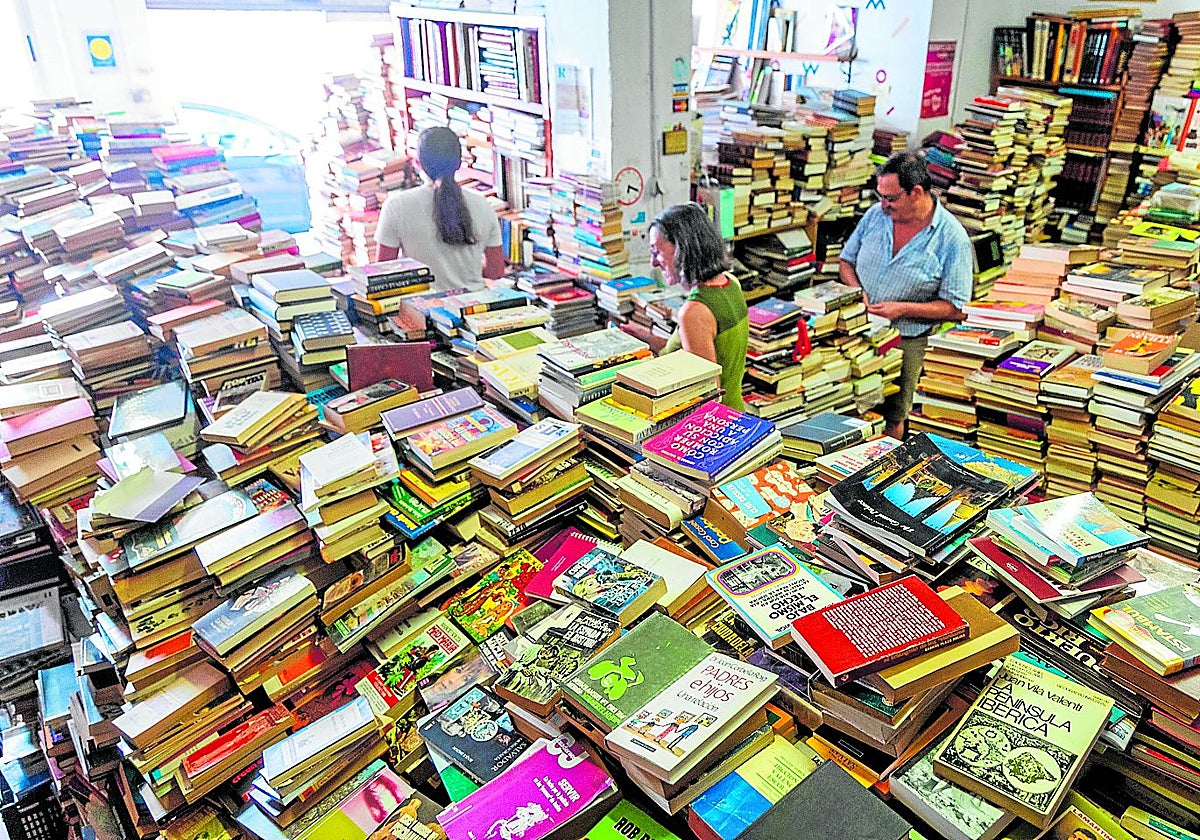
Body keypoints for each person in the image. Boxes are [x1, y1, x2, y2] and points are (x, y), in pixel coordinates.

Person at [840, 151, 973, 439]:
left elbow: (957, 307)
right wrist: (856, 292)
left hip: (906, 338)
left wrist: (901, 309)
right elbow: (846, 261)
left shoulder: (952, 238)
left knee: (893, 412)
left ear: (916, 192)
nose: (883, 205)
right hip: (858, 328)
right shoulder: (876, 216)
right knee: (846, 407)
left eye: (891, 198)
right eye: (880, 196)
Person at [375, 126, 506, 292]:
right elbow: (495, 271)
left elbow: (383, 273)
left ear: (417, 163)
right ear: (459, 163)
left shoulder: (396, 206)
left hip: (422, 304)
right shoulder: (483, 205)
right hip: (476, 304)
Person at [651, 203, 749, 411]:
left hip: (716, 421)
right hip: (735, 410)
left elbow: (708, 398)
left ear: (681, 250)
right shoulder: (731, 283)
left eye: (657, 252)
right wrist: (640, 334)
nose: (653, 262)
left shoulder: (694, 312)